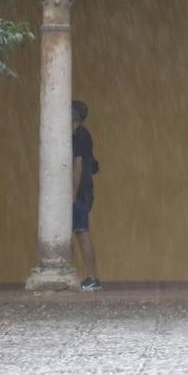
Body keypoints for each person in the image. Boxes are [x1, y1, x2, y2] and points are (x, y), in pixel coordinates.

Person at [72, 100, 102, 291]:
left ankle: (92, 277)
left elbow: (78, 166)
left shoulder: (78, 136)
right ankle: (91, 277)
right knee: (80, 231)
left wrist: (72, 195)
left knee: (82, 232)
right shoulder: (83, 134)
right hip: (85, 189)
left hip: (79, 191)